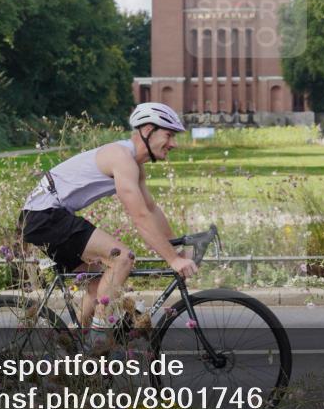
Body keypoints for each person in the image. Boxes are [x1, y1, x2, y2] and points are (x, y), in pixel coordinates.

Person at [19, 103, 197, 334]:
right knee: (122, 258)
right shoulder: (120, 157)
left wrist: (177, 247)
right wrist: (173, 260)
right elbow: (140, 216)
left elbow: (151, 209)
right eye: (169, 135)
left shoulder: (133, 164)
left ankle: (74, 349)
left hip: (44, 217)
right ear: (149, 130)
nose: (173, 143)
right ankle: (99, 339)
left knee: (97, 286)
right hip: (45, 215)